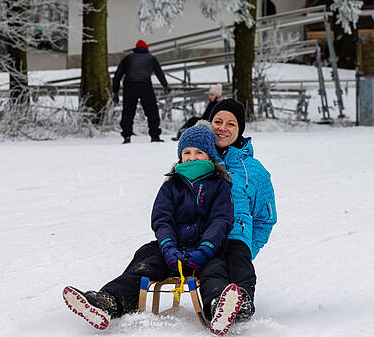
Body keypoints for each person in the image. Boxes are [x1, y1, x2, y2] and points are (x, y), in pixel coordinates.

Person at [62, 126, 243, 335]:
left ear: (210, 156)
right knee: (143, 262)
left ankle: (218, 307)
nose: (192, 158)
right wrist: (168, 249)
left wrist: (205, 250)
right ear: (180, 156)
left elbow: (221, 220)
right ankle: (109, 301)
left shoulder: (219, 185)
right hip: (172, 249)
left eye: (199, 152)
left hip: (207, 251)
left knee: (216, 273)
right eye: (187, 152)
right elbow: (162, 219)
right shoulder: (171, 185)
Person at [208, 99, 277, 322]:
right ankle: (217, 306)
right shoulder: (198, 158)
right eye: (217, 121)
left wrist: (250, 248)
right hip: (207, 238)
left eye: (231, 124)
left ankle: (243, 302)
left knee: (242, 269)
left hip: (238, 238)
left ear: (240, 130)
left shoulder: (254, 171)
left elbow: (265, 218)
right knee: (212, 271)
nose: (222, 128)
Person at [112, 39, 170, 144]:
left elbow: (117, 76)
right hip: (145, 87)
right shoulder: (151, 58)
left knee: (128, 112)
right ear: (146, 49)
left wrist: (115, 92)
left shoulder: (127, 58)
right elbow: (159, 73)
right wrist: (165, 86)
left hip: (130, 87)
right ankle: (155, 136)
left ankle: (127, 136)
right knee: (152, 111)